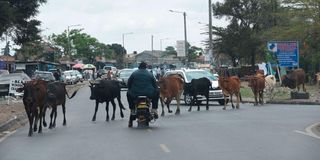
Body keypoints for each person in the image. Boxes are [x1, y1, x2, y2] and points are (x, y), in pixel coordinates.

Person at [126, 61, 159, 126]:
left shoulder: (134, 74)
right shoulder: (150, 74)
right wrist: (156, 89)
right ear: (146, 67)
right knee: (157, 92)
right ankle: (154, 109)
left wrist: (130, 89)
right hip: (149, 94)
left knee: (128, 93)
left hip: (135, 94)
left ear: (139, 67)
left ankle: (132, 109)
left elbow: (128, 84)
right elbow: (155, 85)